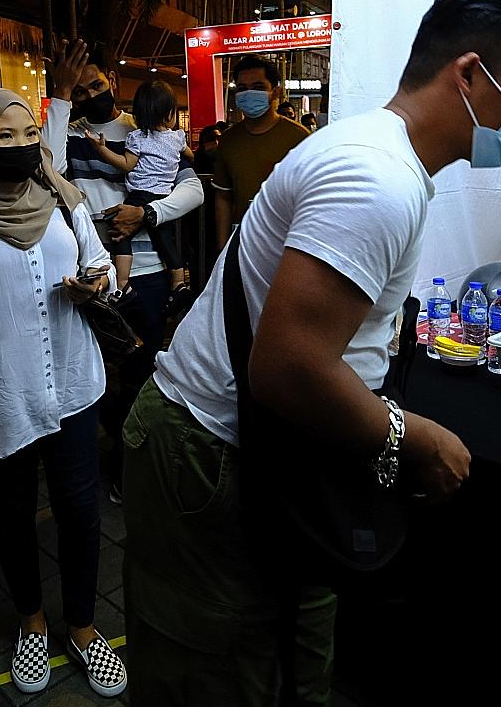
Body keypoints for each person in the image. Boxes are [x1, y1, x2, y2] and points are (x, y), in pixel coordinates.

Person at [123, 0, 501, 707]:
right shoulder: (377, 181)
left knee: (293, 682)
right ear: (467, 74)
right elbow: (287, 367)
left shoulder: (380, 158)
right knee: (219, 695)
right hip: (213, 459)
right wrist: (411, 436)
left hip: (274, 459)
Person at [0, 87, 126, 699]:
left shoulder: (67, 203)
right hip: (3, 394)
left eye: (27, 134)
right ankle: (32, 623)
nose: (20, 146)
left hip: (73, 388)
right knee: (13, 517)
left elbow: (105, 270)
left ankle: (85, 628)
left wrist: (97, 285)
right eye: (3, 136)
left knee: (81, 514)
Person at [44, 41, 205, 502]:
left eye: (96, 85)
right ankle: (107, 449)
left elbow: (192, 189)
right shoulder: (68, 134)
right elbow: (49, 170)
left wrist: (147, 215)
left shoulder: (143, 130)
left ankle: (127, 465)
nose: (91, 94)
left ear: (111, 83)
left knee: (140, 369)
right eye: (80, 90)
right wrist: (58, 96)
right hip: (92, 272)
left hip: (147, 272)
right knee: (91, 371)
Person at [87, 79, 191, 298]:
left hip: (141, 194)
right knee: (165, 240)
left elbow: (126, 164)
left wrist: (102, 150)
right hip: (163, 198)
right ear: (170, 113)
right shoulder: (178, 138)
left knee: (118, 231)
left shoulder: (138, 138)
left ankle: (122, 283)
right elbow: (190, 156)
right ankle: (179, 282)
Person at [212, 55, 308, 249]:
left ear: (275, 92)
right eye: (242, 89)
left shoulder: (299, 137)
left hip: (287, 237)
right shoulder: (228, 140)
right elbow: (223, 197)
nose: (249, 94)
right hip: (241, 236)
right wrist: (223, 250)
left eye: (258, 87)